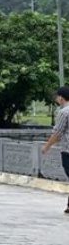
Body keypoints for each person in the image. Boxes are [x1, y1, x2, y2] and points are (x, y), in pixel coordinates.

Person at [42, 86, 69, 214]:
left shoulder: (64, 112)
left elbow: (57, 133)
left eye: (57, 97)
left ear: (61, 98)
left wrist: (47, 147)